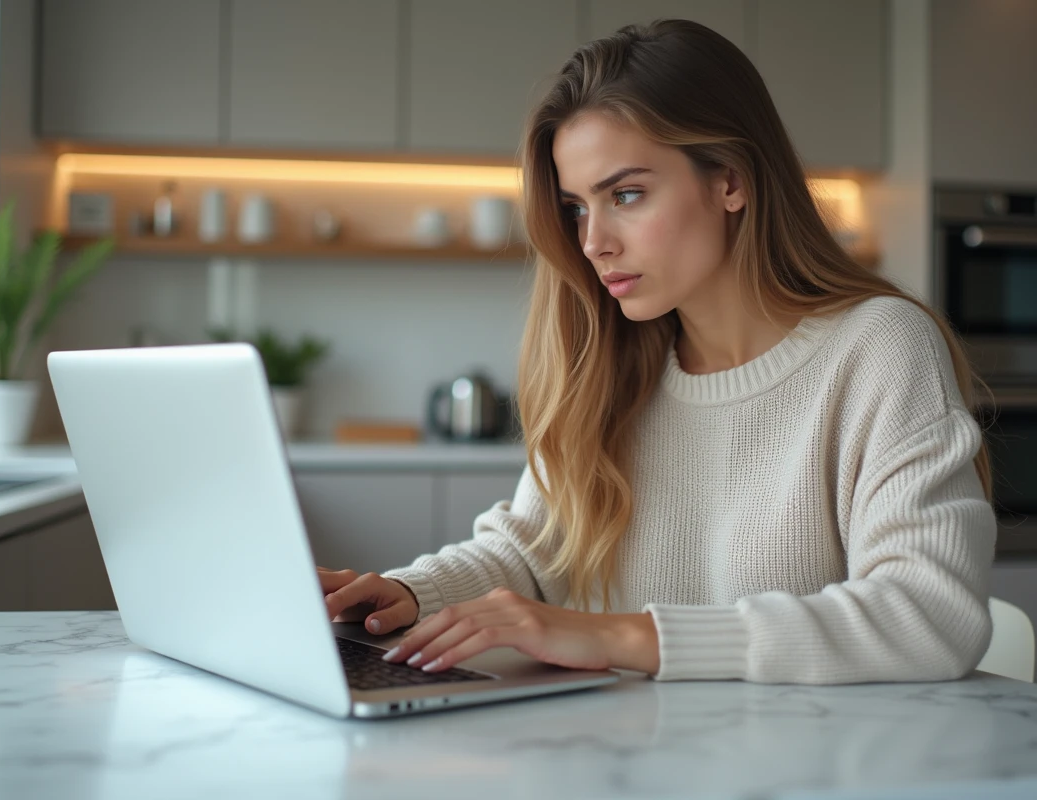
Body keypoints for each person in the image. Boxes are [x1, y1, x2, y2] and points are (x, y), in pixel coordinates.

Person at [319, 19, 997, 684]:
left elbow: (928, 614)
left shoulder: (877, 348)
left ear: (730, 179)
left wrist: (619, 634)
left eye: (628, 195)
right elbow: (531, 550)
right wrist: (411, 595)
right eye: (578, 207)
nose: (593, 243)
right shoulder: (614, 367)